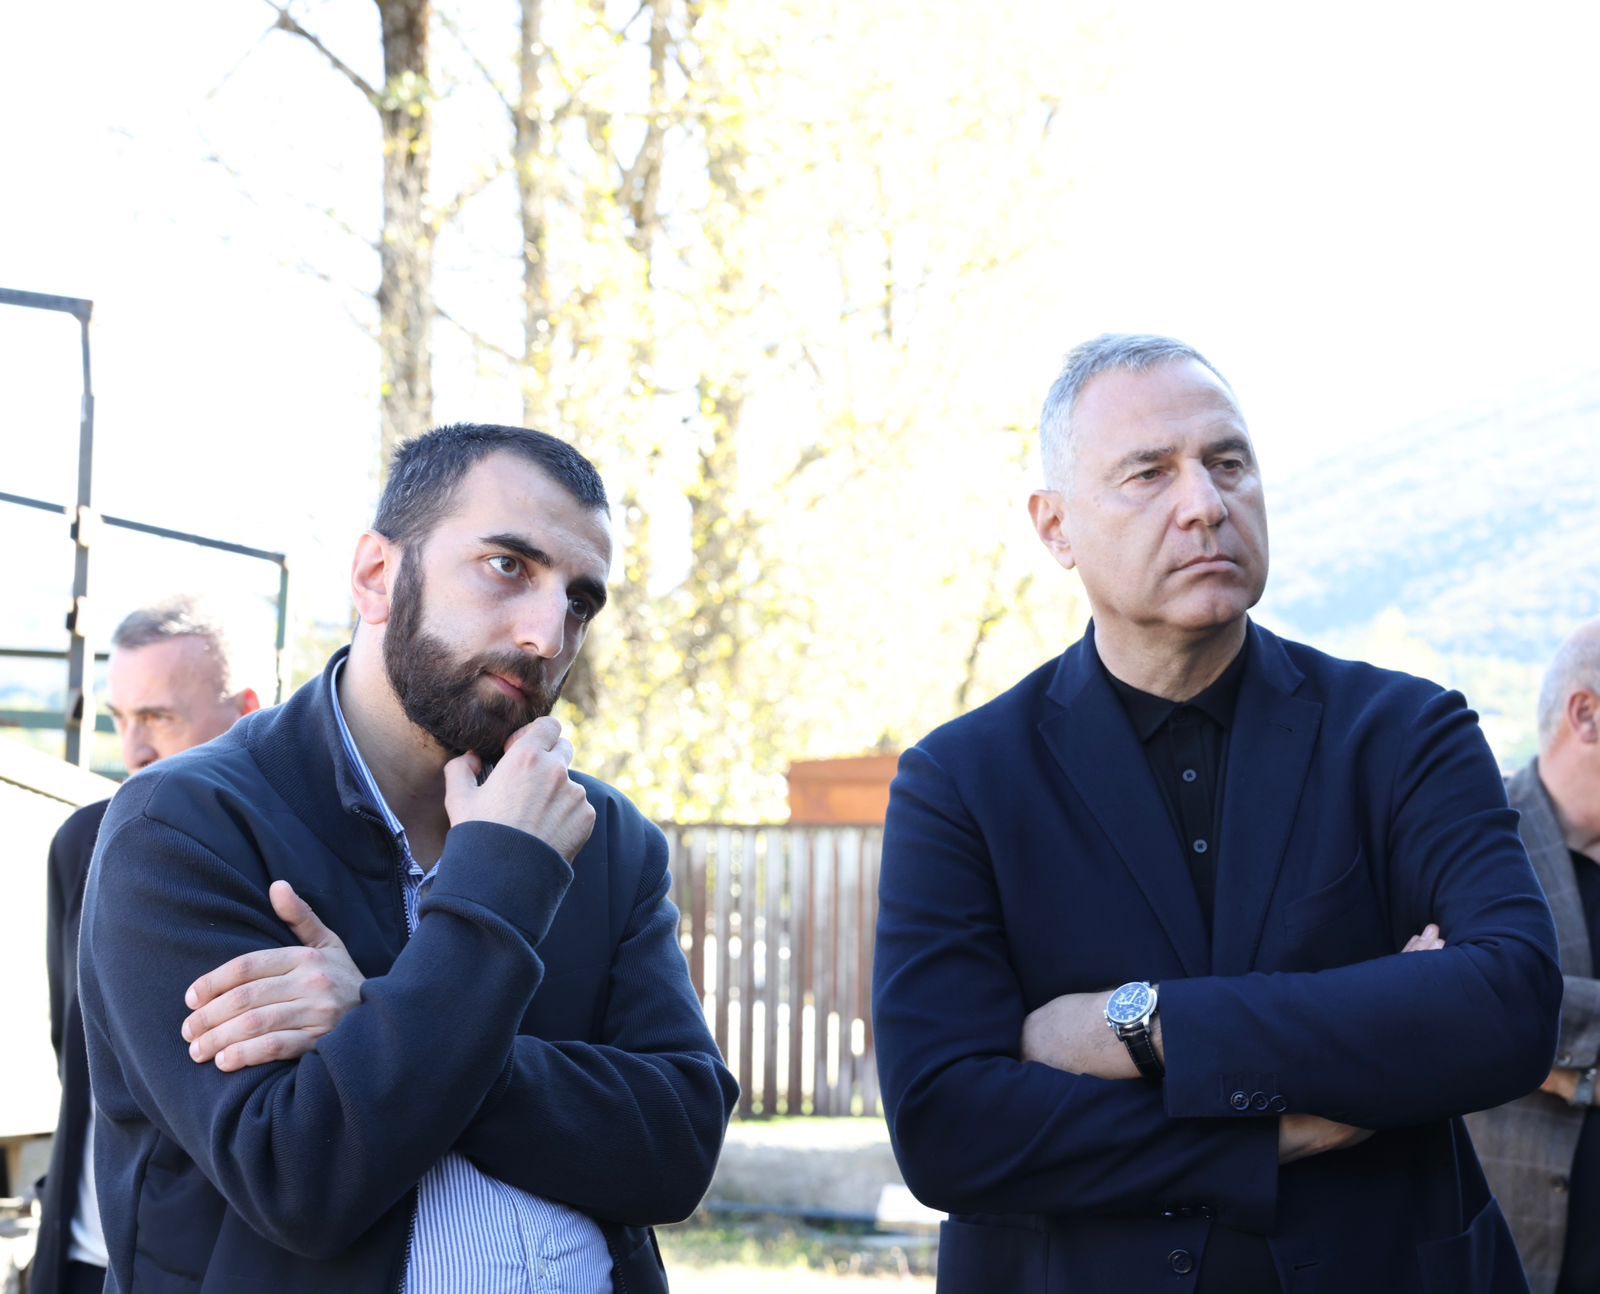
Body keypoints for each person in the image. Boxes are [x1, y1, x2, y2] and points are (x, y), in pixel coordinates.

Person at [872, 334, 1561, 1292]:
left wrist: (1138, 1028)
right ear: (1057, 527)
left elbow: (1510, 1008)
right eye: (1149, 473)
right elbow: (948, 1127)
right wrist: (1271, 1133)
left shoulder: (1406, 733)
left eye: (1228, 462)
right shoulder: (961, 782)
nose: (1204, 503)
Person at [78, 424, 738, 1293]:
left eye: (580, 601)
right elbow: (300, 1177)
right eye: (507, 565)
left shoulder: (602, 833)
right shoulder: (184, 824)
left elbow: (679, 1149)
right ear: (375, 575)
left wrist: (374, 1016)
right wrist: (504, 874)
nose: (549, 634)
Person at [36, 599, 262, 1294]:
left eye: (158, 718)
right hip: (85, 1260)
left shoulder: (291, 862)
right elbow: (73, 1050)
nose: (132, 749)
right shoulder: (82, 843)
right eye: (120, 718)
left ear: (247, 711)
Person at [1465, 621, 1600, 1294]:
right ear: (1587, 715)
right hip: (1512, 1257)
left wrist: (1555, 1060)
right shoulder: (1473, 841)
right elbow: (1456, 1005)